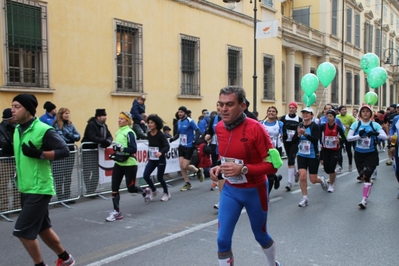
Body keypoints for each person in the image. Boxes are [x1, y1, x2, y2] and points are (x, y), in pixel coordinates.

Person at [209, 86, 281, 266]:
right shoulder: (219, 127)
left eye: (229, 104)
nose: (223, 109)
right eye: (221, 104)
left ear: (242, 106)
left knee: (260, 235)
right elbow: (225, 156)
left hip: (254, 191)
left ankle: (273, 264)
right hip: (231, 190)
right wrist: (218, 167)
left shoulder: (256, 128)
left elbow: (274, 166)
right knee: (222, 240)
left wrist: (243, 169)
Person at [11, 94, 75, 266]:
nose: (13, 110)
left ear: (29, 110)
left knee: (22, 232)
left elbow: (64, 151)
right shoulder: (18, 130)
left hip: (39, 188)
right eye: (13, 106)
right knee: (43, 229)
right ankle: (66, 258)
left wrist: (40, 154)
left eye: (17, 106)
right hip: (25, 187)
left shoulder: (43, 129)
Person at [347, 105, 387, 209]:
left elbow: (385, 137)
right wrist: (358, 136)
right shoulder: (356, 124)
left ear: (370, 113)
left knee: (366, 176)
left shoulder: (375, 125)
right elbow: (349, 138)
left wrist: (375, 133)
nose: (365, 113)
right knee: (364, 177)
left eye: (367, 111)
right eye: (363, 111)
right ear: (360, 114)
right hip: (359, 154)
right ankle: (368, 184)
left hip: (371, 154)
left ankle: (364, 200)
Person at [106, 112, 144, 221]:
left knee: (131, 189)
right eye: (118, 118)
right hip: (119, 163)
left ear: (127, 121)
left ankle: (144, 191)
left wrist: (121, 149)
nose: (119, 120)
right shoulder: (118, 132)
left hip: (130, 164)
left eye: (122, 119)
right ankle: (117, 212)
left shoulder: (130, 132)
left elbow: (133, 149)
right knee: (114, 188)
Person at [294, 107, 328, 207]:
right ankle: (305, 198)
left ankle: (321, 179)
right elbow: (294, 140)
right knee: (303, 176)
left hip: (313, 155)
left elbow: (315, 139)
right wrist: (298, 135)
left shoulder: (315, 126)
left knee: (313, 180)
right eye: (304, 113)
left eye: (308, 113)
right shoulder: (299, 125)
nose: (305, 115)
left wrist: (305, 134)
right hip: (301, 154)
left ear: (312, 115)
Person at [169, 106, 204, 191]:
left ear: (185, 113)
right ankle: (187, 183)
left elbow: (198, 131)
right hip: (181, 145)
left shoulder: (190, 121)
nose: (180, 114)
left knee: (185, 165)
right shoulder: (179, 122)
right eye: (179, 112)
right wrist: (173, 139)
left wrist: (194, 141)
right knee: (181, 165)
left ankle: (198, 170)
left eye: (181, 112)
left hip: (189, 146)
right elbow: (178, 133)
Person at [82, 109, 113, 196]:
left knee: (96, 171)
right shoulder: (91, 125)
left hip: (98, 151)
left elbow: (110, 136)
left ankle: (92, 190)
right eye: (104, 116)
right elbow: (92, 137)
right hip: (88, 150)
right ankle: (89, 190)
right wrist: (104, 141)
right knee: (87, 171)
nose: (105, 117)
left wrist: (109, 141)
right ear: (98, 117)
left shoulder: (104, 126)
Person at [52, 108, 81, 203]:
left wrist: (68, 134)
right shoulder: (56, 125)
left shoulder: (70, 124)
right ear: (61, 114)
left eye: (68, 113)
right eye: (65, 113)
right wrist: (70, 137)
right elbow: (61, 139)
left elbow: (78, 136)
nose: (67, 115)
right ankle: (60, 196)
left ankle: (67, 195)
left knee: (68, 175)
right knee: (59, 175)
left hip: (70, 152)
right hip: (60, 152)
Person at [142, 114, 171, 202]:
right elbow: (151, 146)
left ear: (156, 124)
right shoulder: (149, 134)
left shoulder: (161, 135)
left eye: (152, 123)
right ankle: (154, 191)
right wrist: (148, 156)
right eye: (149, 123)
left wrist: (161, 152)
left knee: (159, 177)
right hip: (152, 159)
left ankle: (166, 193)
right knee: (146, 175)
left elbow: (167, 146)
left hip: (160, 159)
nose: (149, 124)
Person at [320, 110, 346, 193]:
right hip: (325, 150)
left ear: (334, 117)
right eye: (327, 116)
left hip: (335, 150)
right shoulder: (323, 126)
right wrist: (320, 143)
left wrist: (339, 140)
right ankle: (333, 173)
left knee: (331, 167)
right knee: (326, 169)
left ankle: (331, 185)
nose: (329, 118)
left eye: (331, 116)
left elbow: (344, 138)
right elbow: (318, 135)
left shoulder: (338, 127)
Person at [0, 108, 20, 211]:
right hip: (4, 160)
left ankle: (18, 205)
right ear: (9, 118)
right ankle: (4, 208)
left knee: (17, 184)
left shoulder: (16, 127)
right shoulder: (1, 128)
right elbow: (4, 144)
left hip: (15, 159)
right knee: (3, 185)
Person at [260, 106, 283, 195]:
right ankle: (275, 179)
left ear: (276, 113)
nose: (271, 113)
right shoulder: (262, 123)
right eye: (269, 111)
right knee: (265, 172)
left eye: (273, 111)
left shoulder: (279, 124)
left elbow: (282, 136)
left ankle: (267, 194)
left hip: (275, 150)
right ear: (267, 113)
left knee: (270, 172)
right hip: (264, 150)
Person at [280, 101, 302, 191]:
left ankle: (289, 182)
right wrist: (283, 133)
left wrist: (297, 136)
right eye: (290, 108)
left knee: (290, 161)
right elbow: (281, 128)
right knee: (290, 158)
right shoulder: (284, 118)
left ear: (296, 109)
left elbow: (301, 129)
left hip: (295, 141)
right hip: (286, 141)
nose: (291, 109)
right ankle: (296, 172)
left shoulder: (299, 119)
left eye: (293, 108)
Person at [205, 110, 223, 208]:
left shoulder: (233, 119)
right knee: (221, 175)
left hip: (229, 151)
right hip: (216, 149)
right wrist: (208, 136)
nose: (221, 108)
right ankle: (222, 200)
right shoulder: (214, 119)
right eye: (219, 105)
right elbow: (209, 132)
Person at [336, 105, 356, 172]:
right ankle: (340, 166)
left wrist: (350, 126)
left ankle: (350, 164)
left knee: (349, 151)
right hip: (340, 137)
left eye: (345, 109)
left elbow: (355, 124)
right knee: (339, 152)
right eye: (342, 110)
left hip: (348, 137)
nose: (344, 111)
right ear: (339, 111)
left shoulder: (350, 117)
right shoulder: (337, 117)